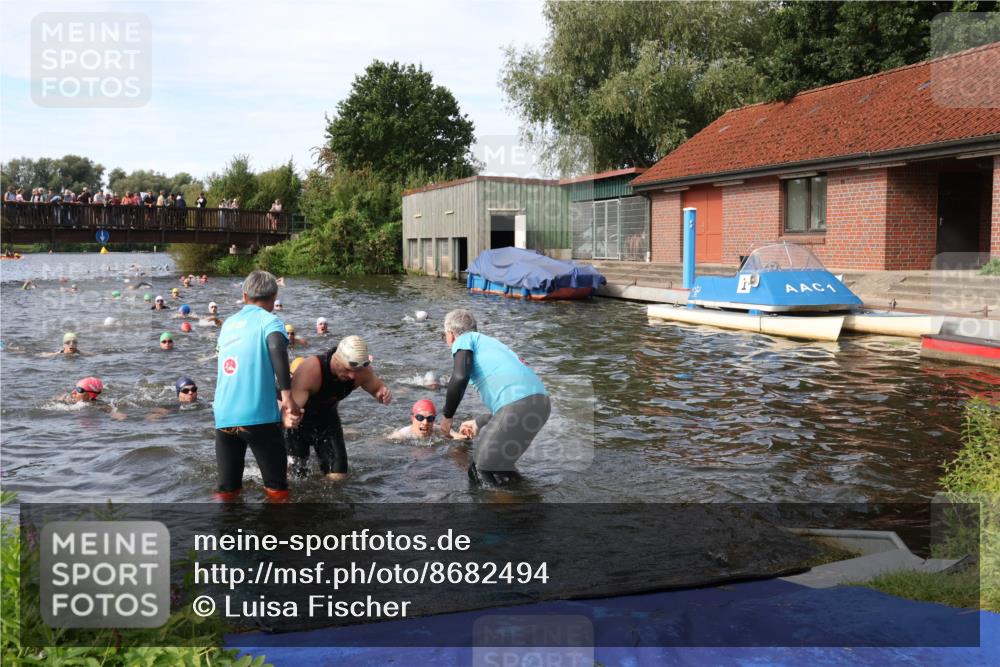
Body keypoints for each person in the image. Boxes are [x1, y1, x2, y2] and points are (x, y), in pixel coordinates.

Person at [213, 270, 301, 501]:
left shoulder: (228, 324)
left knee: (227, 490)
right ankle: (277, 534)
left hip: (224, 415)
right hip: (258, 418)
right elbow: (276, 349)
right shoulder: (270, 321)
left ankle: (224, 533)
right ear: (274, 297)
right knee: (276, 488)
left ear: (244, 296)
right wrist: (287, 396)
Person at [439, 309, 550, 486]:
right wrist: (478, 423)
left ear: (451, 335)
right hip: (541, 404)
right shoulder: (492, 344)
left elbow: (460, 377)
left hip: (518, 406)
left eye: (444, 335)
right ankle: (526, 506)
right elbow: (511, 406)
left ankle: (495, 511)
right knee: (501, 468)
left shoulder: (465, 340)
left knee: (479, 469)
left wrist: (447, 416)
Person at [283, 335, 391, 481]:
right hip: (298, 426)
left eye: (357, 370)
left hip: (328, 423)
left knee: (338, 479)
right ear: (337, 359)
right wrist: (288, 417)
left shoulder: (361, 371)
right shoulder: (311, 370)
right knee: (296, 478)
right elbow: (291, 409)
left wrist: (382, 393)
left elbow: (377, 387)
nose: (353, 376)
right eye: (348, 369)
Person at [389, 399, 466, 440]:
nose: (425, 422)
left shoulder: (439, 430)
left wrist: (465, 435)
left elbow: (457, 437)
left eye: (430, 418)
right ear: (412, 418)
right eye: (420, 417)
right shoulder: (402, 435)